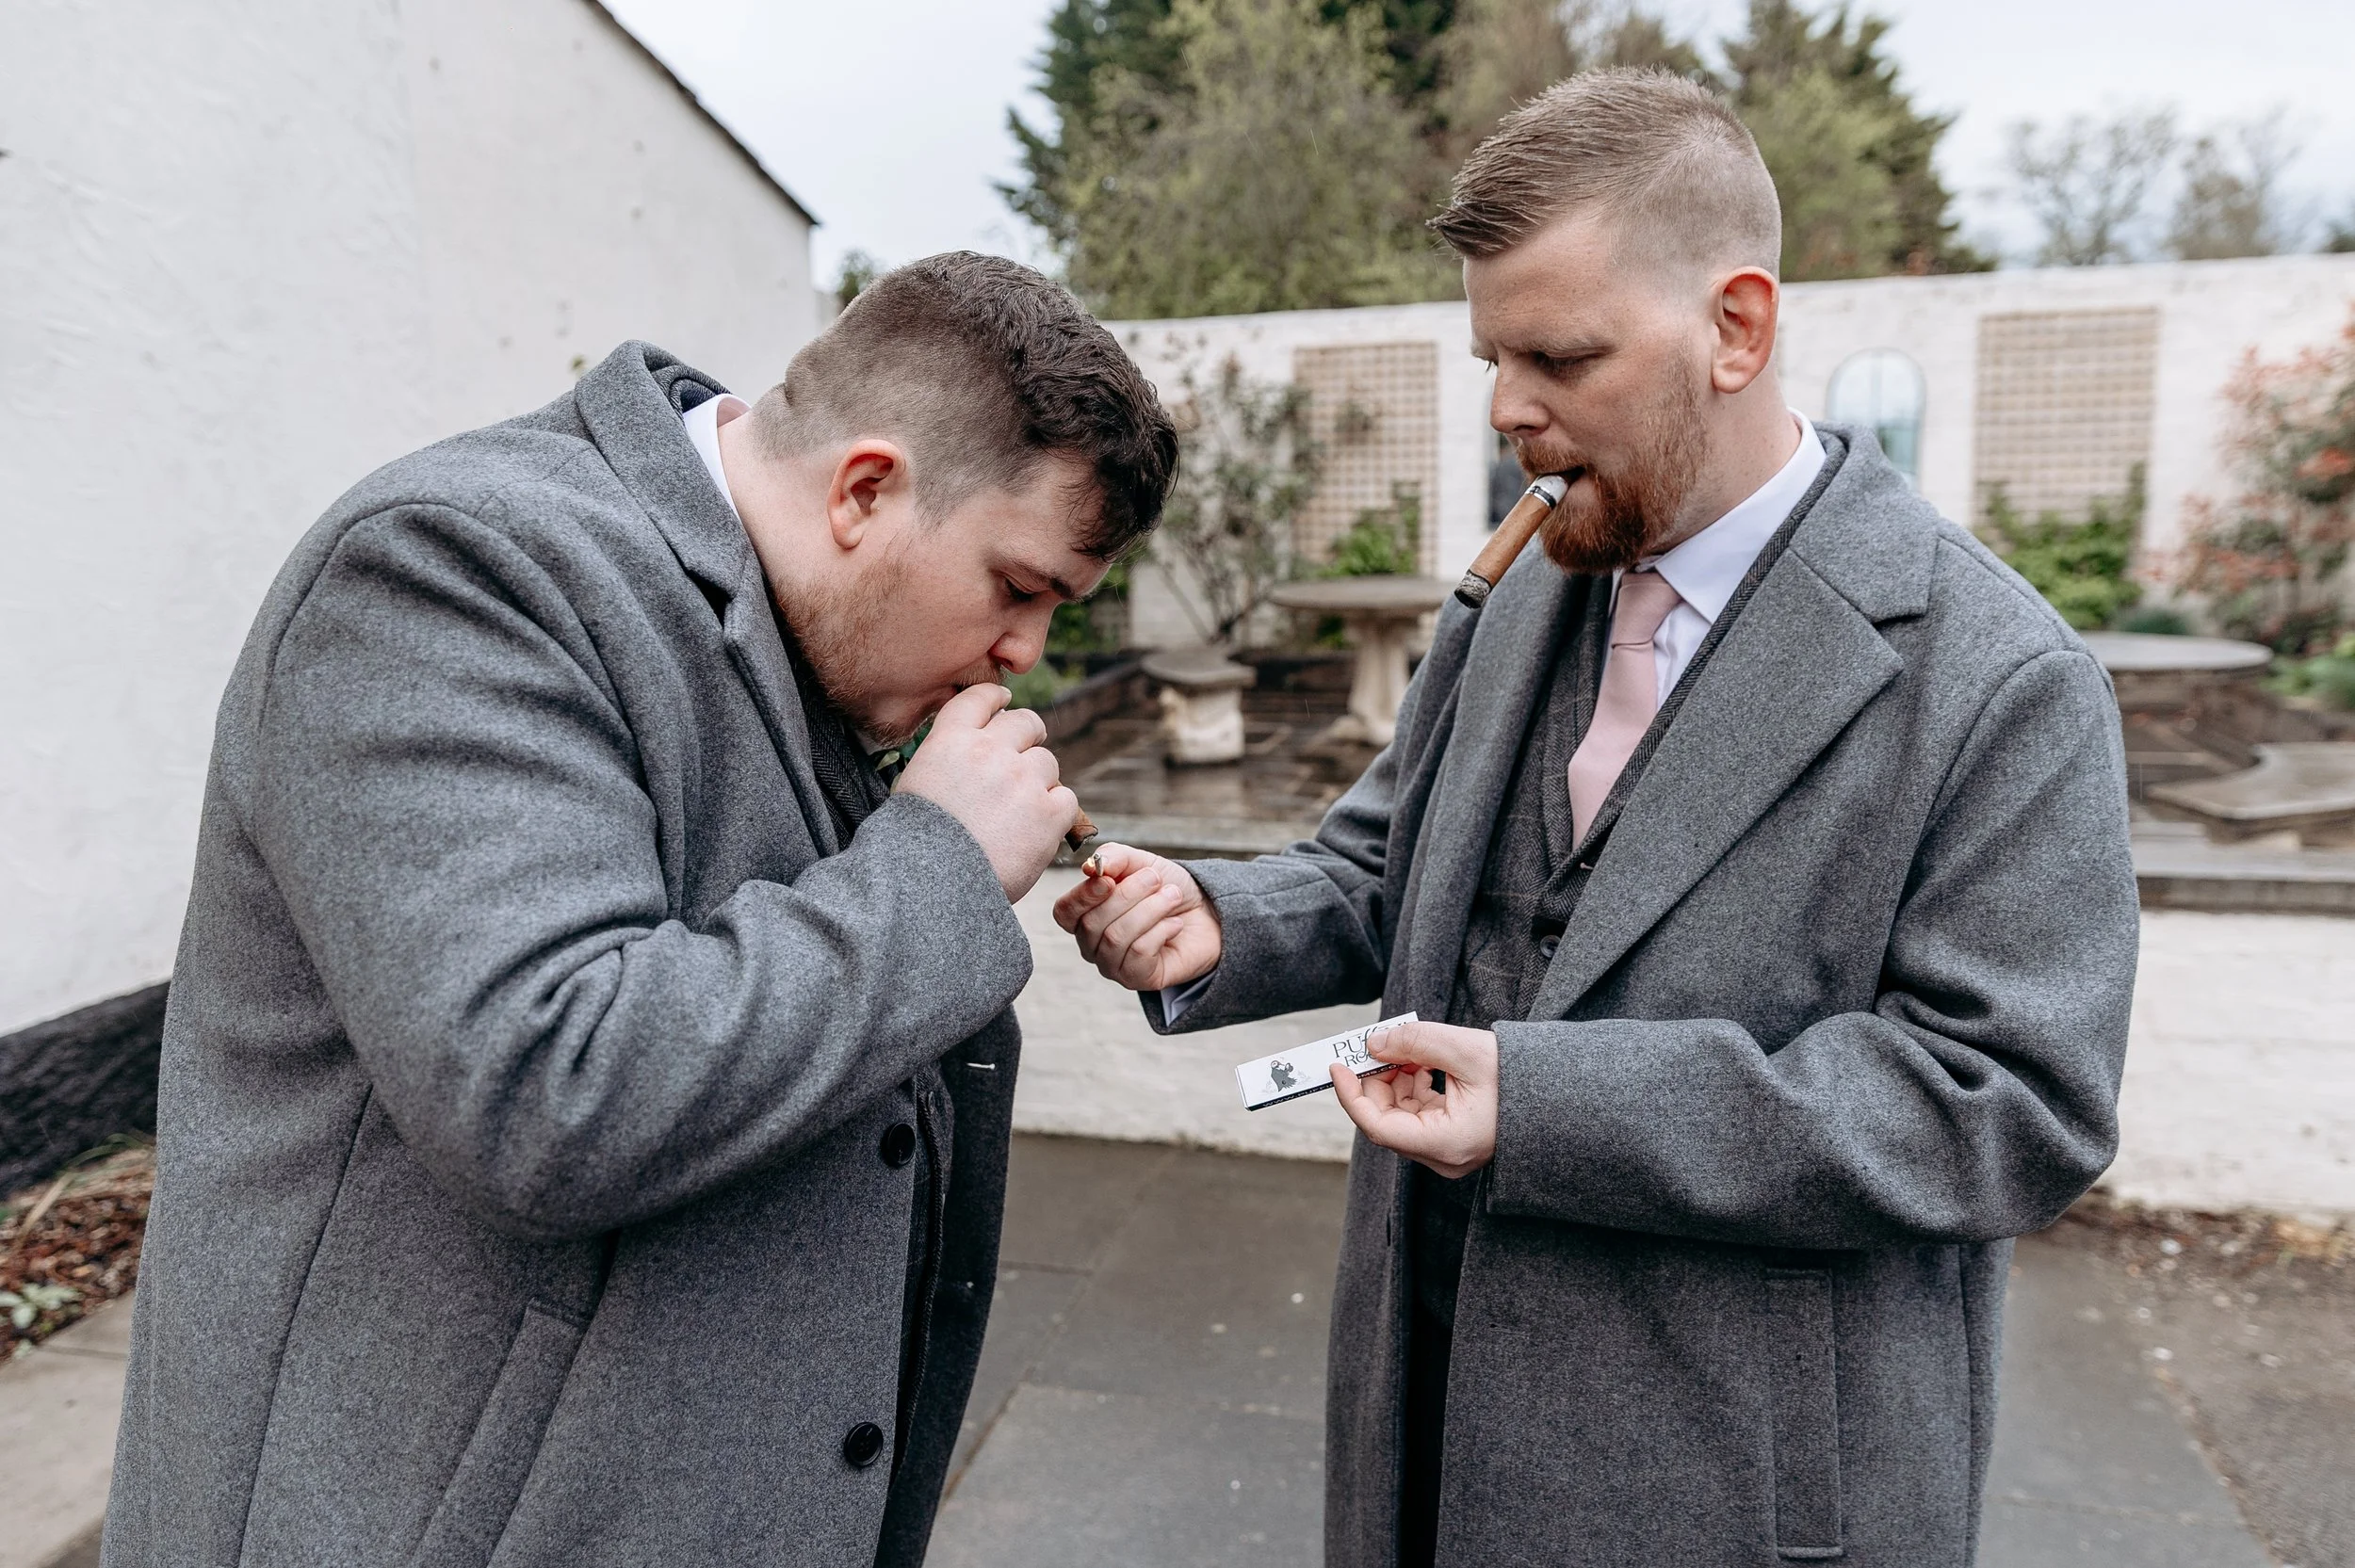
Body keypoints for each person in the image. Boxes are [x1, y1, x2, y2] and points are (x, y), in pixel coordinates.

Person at [1060, 70, 2136, 1568]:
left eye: (1561, 355)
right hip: (1421, 1435)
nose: (1511, 410)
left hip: (1733, 1505)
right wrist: (1214, 921)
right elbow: (1385, 869)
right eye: (1495, 355)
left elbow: (2008, 1107)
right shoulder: (1522, 594)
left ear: (1737, 328)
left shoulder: (2000, 676)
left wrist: (1555, 1108)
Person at [106, 253, 1176, 1568]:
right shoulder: (453, 568)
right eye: (1016, 590)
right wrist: (940, 860)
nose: (1025, 656)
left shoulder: (806, 628)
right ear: (866, 488)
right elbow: (543, 1088)